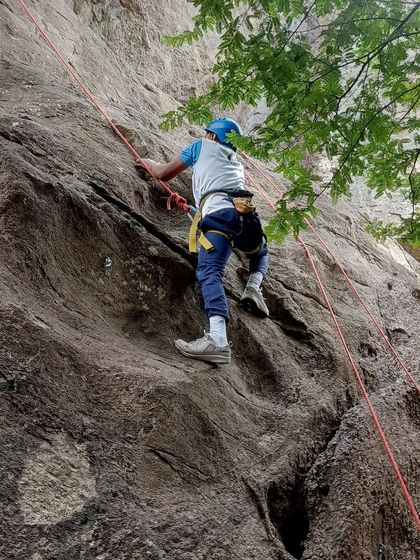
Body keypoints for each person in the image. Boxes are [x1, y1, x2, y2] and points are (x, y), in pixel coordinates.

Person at [136, 117, 269, 364]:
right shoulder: (236, 164)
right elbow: (220, 196)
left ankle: (217, 340)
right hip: (245, 214)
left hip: (219, 216)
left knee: (209, 272)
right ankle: (253, 288)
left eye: (208, 133)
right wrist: (189, 207)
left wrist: (147, 162)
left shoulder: (201, 146)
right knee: (259, 252)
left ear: (211, 136)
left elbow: (163, 173)